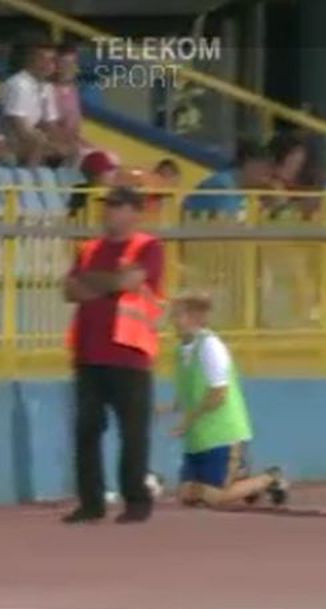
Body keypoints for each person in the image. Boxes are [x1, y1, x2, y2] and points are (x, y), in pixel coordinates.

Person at [63, 186, 164, 524]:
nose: (109, 211)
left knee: (133, 434)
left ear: (135, 211)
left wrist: (93, 283)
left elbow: (131, 281)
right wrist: (111, 282)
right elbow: (69, 289)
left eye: (118, 206)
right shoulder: (90, 248)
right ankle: (90, 503)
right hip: (89, 353)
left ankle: (136, 500)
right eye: (108, 205)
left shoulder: (147, 247)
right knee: (86, 432)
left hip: (130, 353)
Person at [164, 290, 289, 509]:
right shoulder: (180, 351)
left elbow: (218, 394)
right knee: (187, 495)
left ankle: (270, 478)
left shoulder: (210, 346)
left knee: (214, 497)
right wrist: (167, 408)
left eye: (178, 315)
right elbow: (188, 390)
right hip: (198, 439)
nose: (172, 320)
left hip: (223, 436)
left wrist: (186, 421)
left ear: (195, 317)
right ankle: (241, 481)